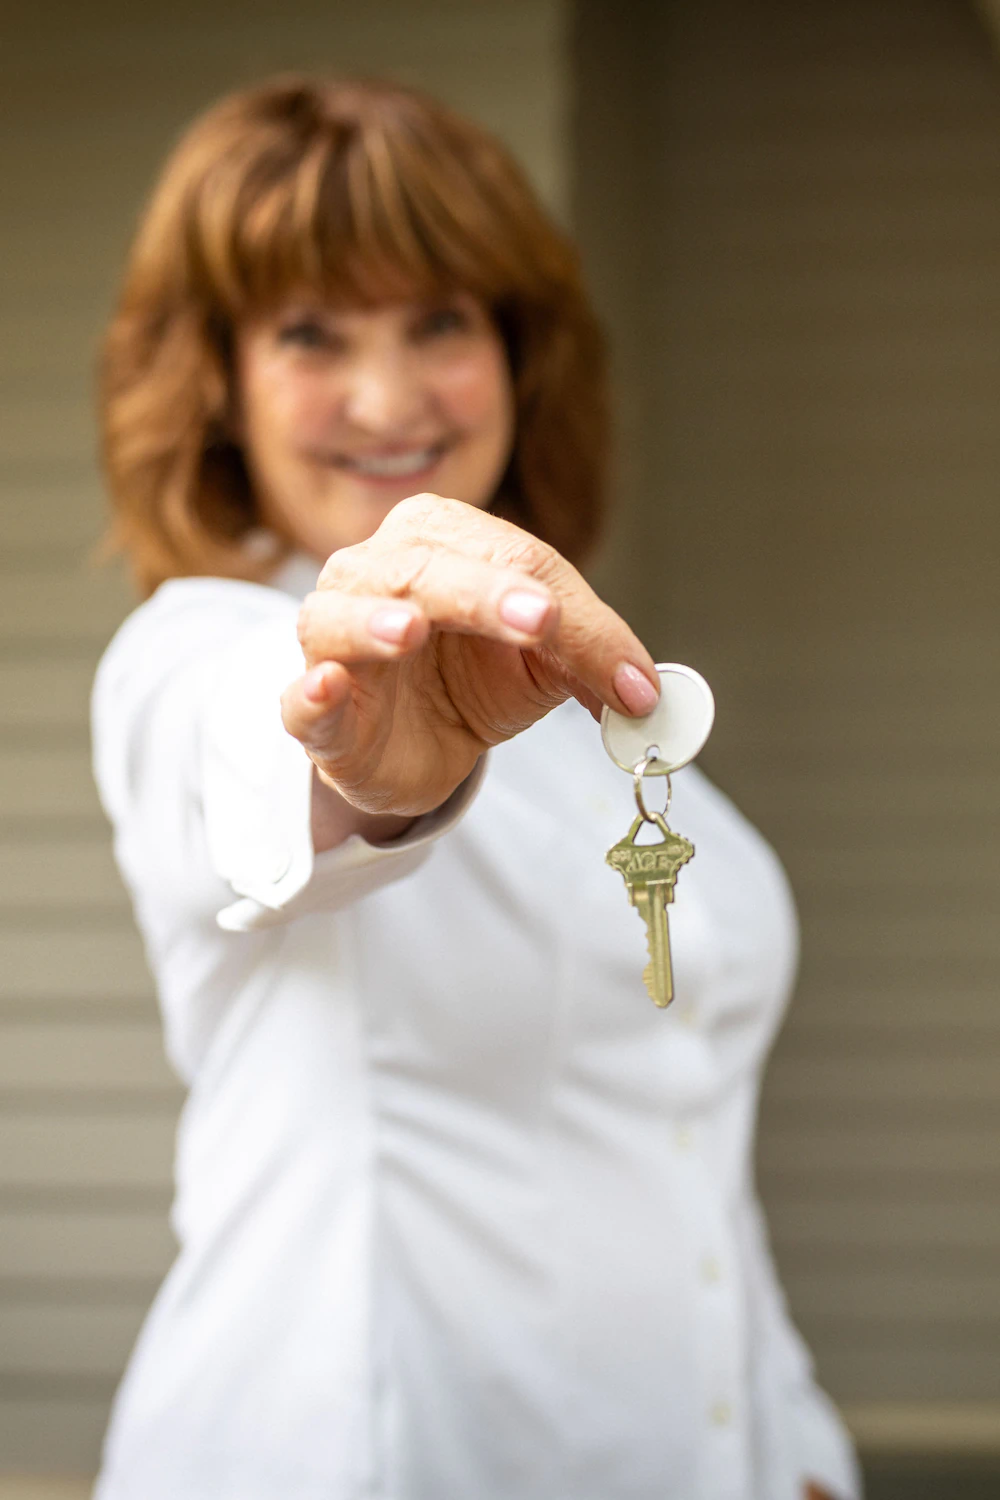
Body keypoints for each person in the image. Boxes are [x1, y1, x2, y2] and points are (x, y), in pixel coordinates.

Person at [90, 75, 860, 1500]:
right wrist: (361, 777)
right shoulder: (200, 652)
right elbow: (254, 763)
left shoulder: (564, 691)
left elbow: (689, 1148)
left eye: (439, 321)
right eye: (312, 333)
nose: (387, 398)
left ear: (516, 356)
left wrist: (790, 1445)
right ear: (221, 385)